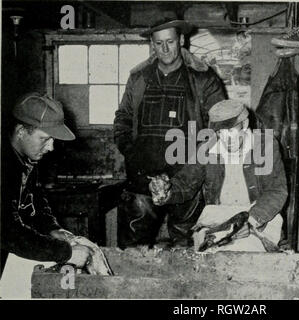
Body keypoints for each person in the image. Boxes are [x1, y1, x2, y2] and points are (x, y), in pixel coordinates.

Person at [114, 18, 226, 248]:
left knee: (186, 249)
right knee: (134, 252)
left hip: (186, 181)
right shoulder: (139, 78)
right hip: (142, 180)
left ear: (181, 40)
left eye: (170, 42)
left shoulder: (203, 78)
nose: (165, 49)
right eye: (159, 43)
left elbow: (220, 127)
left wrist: (193, 171)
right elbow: (122, 118)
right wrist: (130, 152)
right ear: (152, 45)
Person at [149, 100, 288, 252]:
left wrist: (251, 221)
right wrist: (166, 191)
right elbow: (185, 183)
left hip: (258, 216)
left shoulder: (264, 145)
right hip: (218, 219)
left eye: (231, 130)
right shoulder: (208, 148)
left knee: (244, 253)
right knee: (210, 257)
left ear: (245, 124)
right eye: (220, 132)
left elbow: (276, 191)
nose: (226, 138)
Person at [0, 93, 93, 296]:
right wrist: (65, 253)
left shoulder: (27, 158)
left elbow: (35, 200)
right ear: (21, 131)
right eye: (44, 138)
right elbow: (6, 231)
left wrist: (52, 228)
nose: (51, 147)